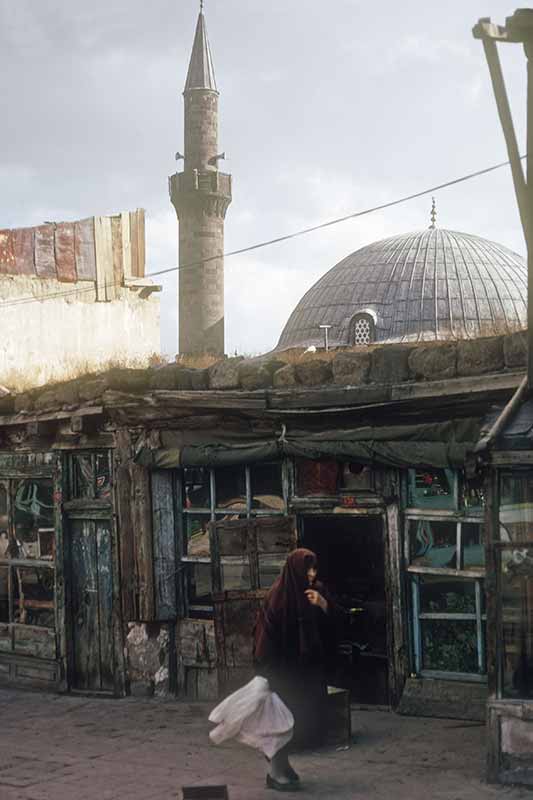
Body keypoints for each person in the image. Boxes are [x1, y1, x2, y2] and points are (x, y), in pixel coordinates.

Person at [253, 548, 337, 791]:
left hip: (307, 673)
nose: (312, 575)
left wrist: (323, 605)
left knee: (303, 722)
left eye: (314, 569)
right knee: (281, 724)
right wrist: (268, 675)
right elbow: (264, 639)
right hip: (282, 673)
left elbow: (335, 623)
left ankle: (283, 767)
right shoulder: (278, 596)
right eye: (307, 570)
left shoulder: (316, 592)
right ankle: (276, 772)